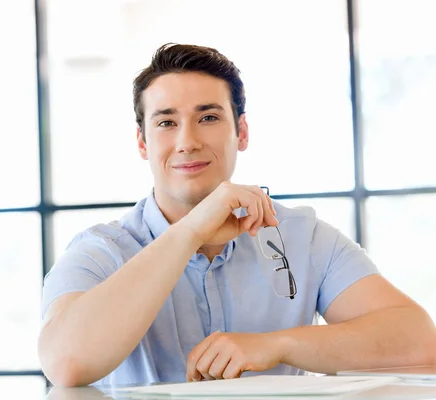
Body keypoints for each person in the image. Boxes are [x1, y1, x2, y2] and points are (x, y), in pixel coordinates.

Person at [37, 43, 436, 387]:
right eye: (166, 122)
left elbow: (419, 343)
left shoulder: (303, 237)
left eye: (208, 118)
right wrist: (192, 230)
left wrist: (275, 344)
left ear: (241, 132)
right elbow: (65, 364)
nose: (187, 142)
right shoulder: (100, 250)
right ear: (143, 142)